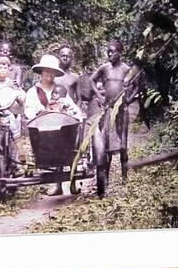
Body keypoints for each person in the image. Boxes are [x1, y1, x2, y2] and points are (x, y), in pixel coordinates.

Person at [24, 54, 82, 196]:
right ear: (41, 72)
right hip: (42, 133)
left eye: (52, 72)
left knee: (67, 139)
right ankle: (56, 185)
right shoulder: (32, 92)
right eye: (46, 71)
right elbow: (29, 111)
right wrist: (41, 114)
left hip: (61, 133)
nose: (49, 74)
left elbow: (74, 109)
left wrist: (74, 115)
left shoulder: (61, 91)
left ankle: (71, 180)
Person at [89, 40, 139, 195]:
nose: (110, 54)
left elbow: (137, 84)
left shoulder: (126, 69)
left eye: (113, 51)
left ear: (120, 52)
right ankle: (106, 179)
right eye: (108, 52)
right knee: (107, 147)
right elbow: (92, 80)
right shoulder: (104, 68)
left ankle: (125, 179)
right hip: (108, 110)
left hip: (122, 110)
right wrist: (98, 95)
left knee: (123, 146)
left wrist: (129, 99)